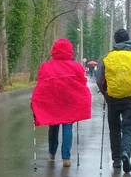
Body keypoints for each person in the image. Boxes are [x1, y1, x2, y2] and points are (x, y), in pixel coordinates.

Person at [31, 38, 92, 167]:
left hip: (52, 103)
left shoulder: (46, 66)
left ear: (54, 50)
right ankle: (66, 158)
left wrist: (36, 102)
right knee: (67, 126)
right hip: (69, 102)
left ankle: (52, 152)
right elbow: (82, 83)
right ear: (70, 51)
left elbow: (41, 85)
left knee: (53, 126)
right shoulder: (75, 66)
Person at [96, 28, 131, 173]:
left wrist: (106, 94)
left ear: (115, 42)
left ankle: (117, 159)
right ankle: (126, 153)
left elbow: (100, 80)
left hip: (113, 98)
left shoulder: (107, 58)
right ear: (128, 40)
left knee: (114, 129)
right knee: (128, 128)